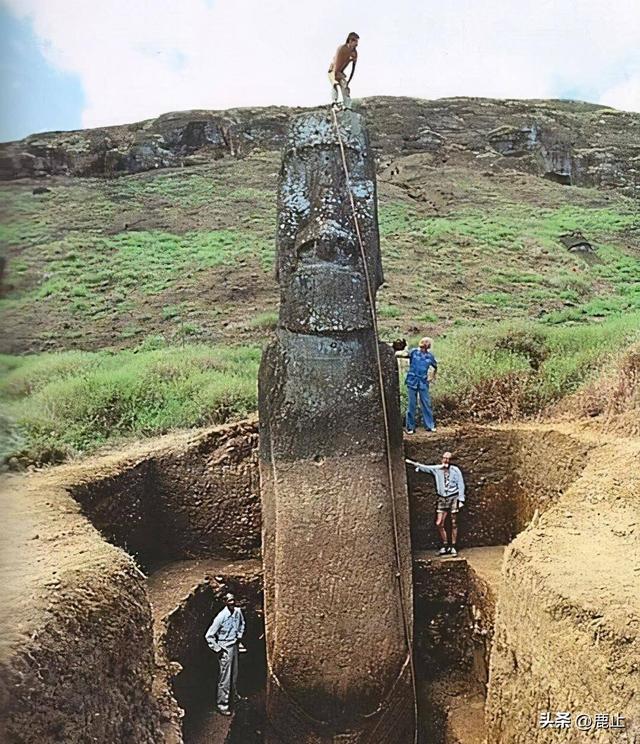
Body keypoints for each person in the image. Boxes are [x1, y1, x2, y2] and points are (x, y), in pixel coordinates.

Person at [406, 452, 465, 556]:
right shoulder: (437, 469)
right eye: (444, 458)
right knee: (439, 523)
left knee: (454, 522)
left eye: (448, 459)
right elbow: (425, 468)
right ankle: (445, 544)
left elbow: (461, 484)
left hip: (453, 497)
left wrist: (461, 500)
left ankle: (453, 546)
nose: (446, 461)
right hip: (442, 498)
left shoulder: (455, 471)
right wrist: (412, 463)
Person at [205, 593, 246, 716]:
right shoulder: (221, 617)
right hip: (225, 647)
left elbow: (242, 624)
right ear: (225, 602)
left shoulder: (238, 612)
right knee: (225, 678)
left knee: (234, 674)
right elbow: (209, 636)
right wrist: (218, 649)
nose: (232, 603)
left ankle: (234, 698)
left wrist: (239, 636)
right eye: (229, 600)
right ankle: (222, 704)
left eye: (233, 600)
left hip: (234, 645)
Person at [396, 337, 437, 433]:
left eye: (428, 343)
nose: (426, 344)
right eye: (425, 342)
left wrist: (432, 377)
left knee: (426, 403)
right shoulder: (414, 352)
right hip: (412, 380)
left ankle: (430, 425)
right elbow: (404, 354)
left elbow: (435, 367)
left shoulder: (430, 356)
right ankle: (410, 427)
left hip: (423, 382)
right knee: (412, 404)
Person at [328, 32, 359, 110]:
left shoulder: (354, 53)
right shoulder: (341, 48)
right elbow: (336, 64)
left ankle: (347, 105)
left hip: (340, 71)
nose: (357, 44)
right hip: (333, 70)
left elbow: (353, 68)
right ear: (350, 41)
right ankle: (334, 103)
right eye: (355, 41)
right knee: (335, 84)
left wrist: (348, 81)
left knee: (344, 86)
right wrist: (336, 75)